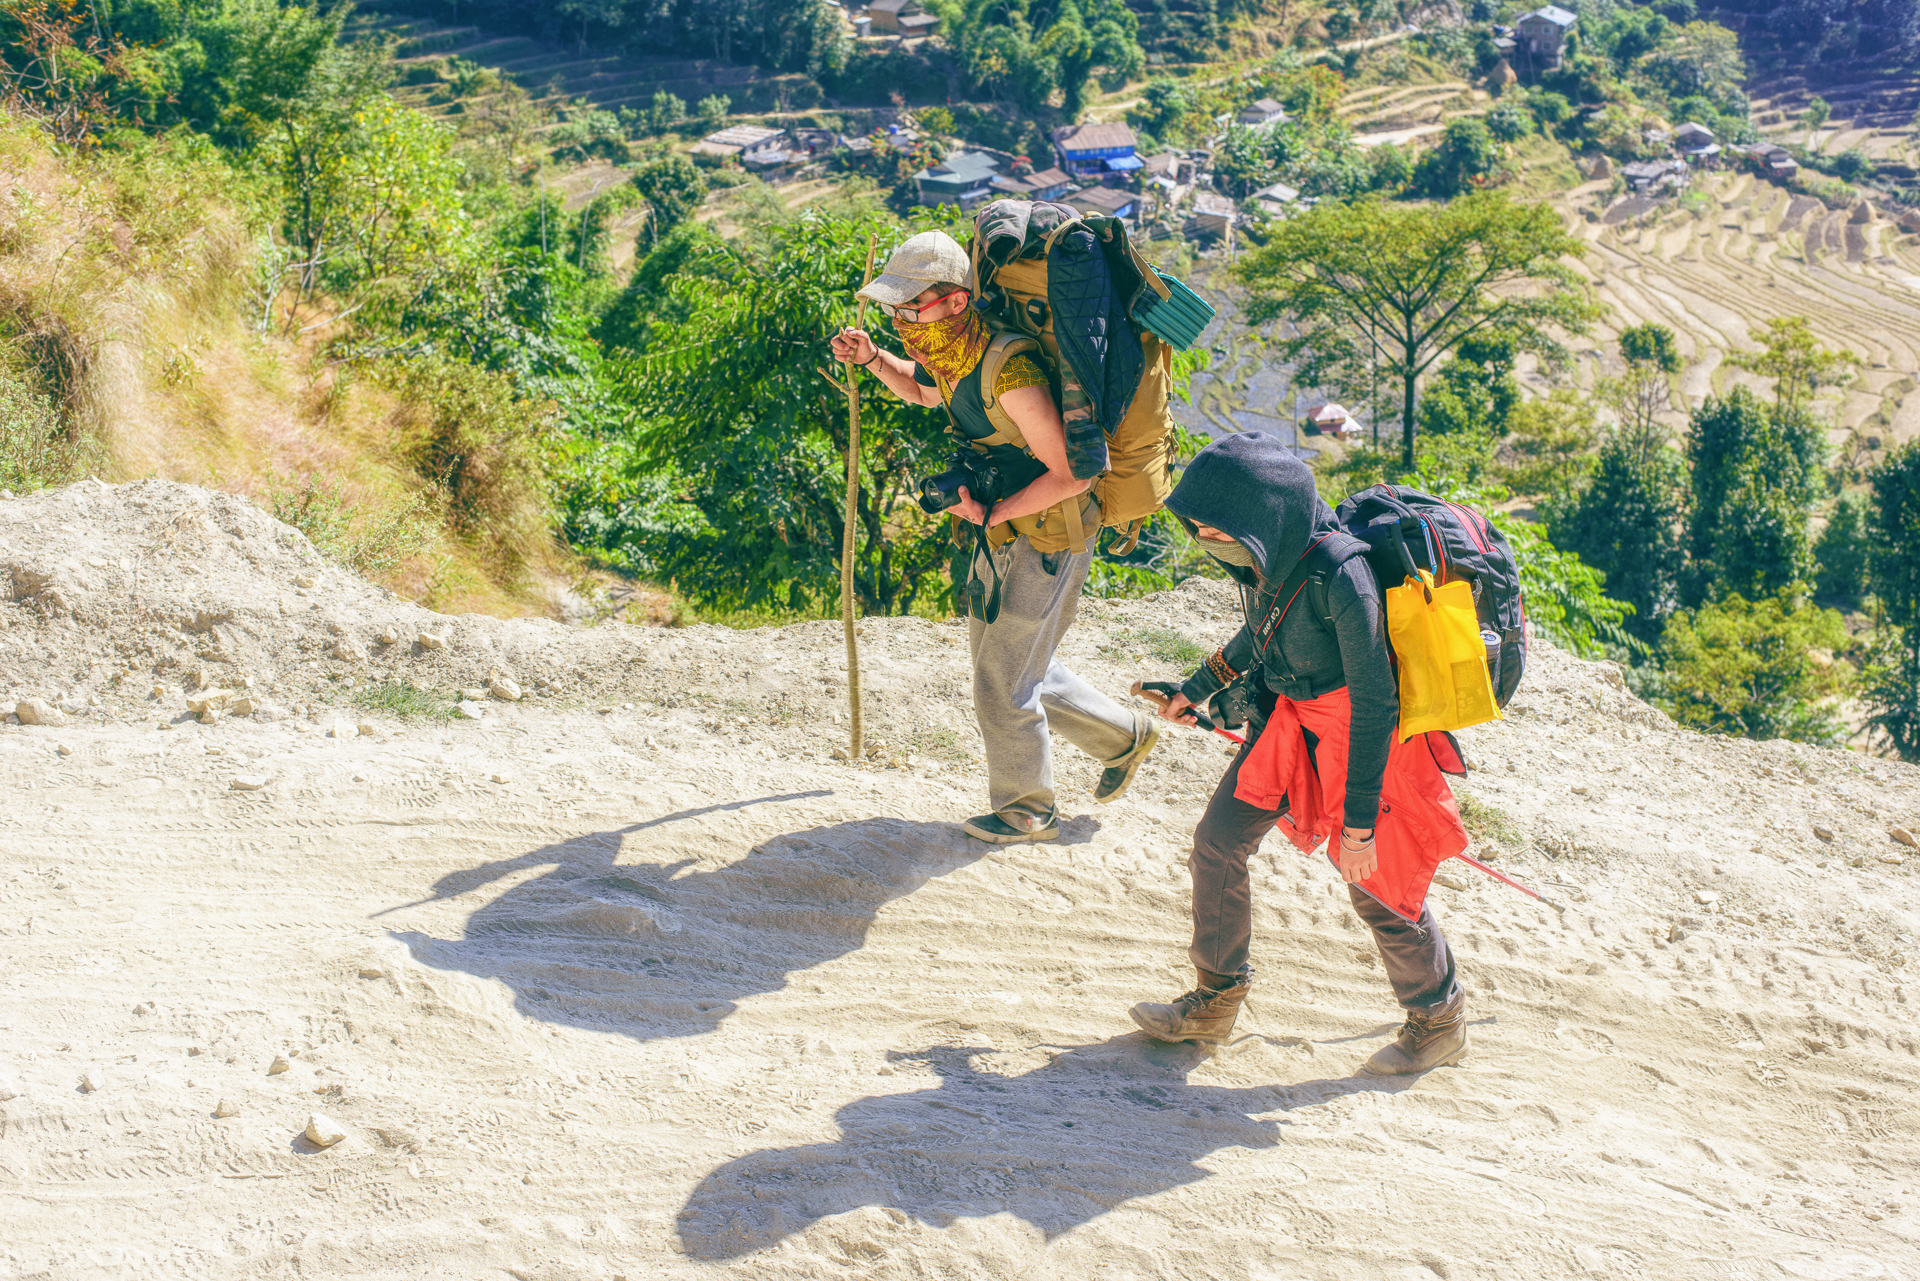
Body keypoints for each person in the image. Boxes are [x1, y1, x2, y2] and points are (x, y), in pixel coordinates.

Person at [1127, 432, 1471, 1075]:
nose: (1203, 535)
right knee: (1218, 841)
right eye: (1199, 525)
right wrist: (1194, 688)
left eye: (1214, 526)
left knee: (1376, 884)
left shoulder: (1345, 576)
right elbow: (1262, 629)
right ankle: (1215, 1000)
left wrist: (1361, 824)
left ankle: (1438, 1019)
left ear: (1265, 514)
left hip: (1360, 738)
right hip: (1287, 723)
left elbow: (1377, 704)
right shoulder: (1270, 557)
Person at [828, 231, 1160, 844]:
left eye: (912, 307)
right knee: (1005, 664)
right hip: (1003, 528)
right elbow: (924, 390)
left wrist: (990, 514)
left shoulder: (1012, 370)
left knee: (1001, 678)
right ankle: (1123, 736)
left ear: (956, 300)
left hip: (1049, 534)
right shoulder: (955, 357)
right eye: (894, 310)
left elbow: (1071, 472)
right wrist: (874, 358)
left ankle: (1027, 809)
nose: (902, 320)